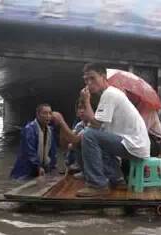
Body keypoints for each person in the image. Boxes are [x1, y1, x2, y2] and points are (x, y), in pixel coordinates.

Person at [54, 63, 151, 197]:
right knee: (90, 138)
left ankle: (97, 185)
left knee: (89, 135)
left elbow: (94, 125)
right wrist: (62, 123)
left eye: (92, 78)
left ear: (103, 76)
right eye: (86, 80)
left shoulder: (110, 94)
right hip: (131, 144)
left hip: (134, 145)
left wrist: (86, 100)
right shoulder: (107, 96)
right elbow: (80, 138)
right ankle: (116, 179)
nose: (89, 83)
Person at [10, 104, 58, 180]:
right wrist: (38, 167)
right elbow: (29, 151)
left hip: (41, 168)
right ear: (38, 115)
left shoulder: (50, 130)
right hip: (26, 170)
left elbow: (52, 151)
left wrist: (53, 166)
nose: (48, 116)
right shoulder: (29, 129)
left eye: (50, 113)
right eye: (45, 113)